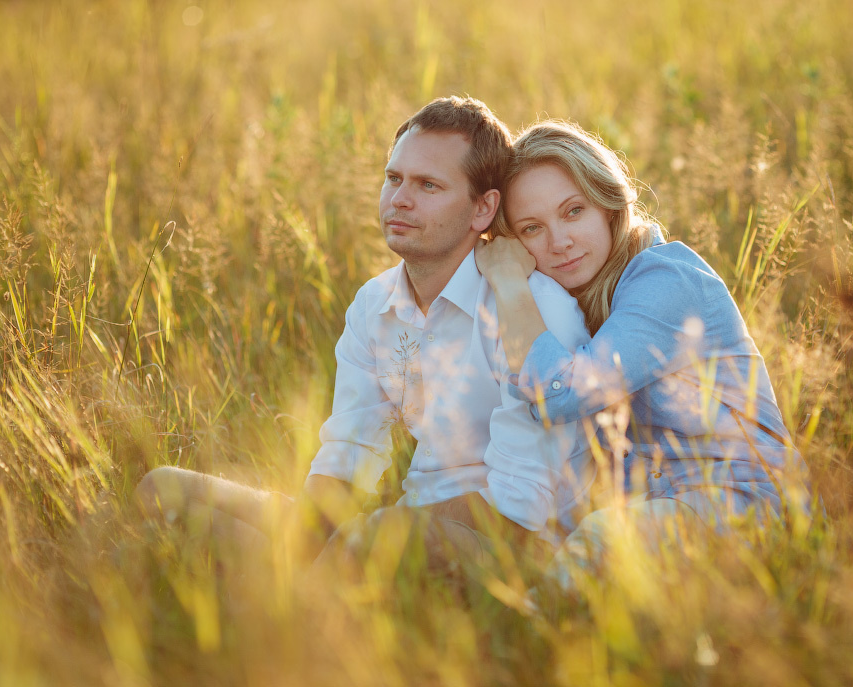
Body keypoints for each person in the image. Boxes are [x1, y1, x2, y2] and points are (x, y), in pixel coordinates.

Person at [135, 98, 593, 580]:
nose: (400, 199)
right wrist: (313, 535)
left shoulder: (528, 309)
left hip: (515, 552)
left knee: (378, 537)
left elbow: (518, 509)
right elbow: (350, 452)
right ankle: (295, 589)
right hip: (394, 528)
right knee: (162, 488)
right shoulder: (374, 304)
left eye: (428, 185)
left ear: (484, 208)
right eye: (394, 178)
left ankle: (289, 602)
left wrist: (371, 532)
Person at [474, 120, 810, 577]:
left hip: (745, 505)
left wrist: (509, 281)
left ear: (609, 204)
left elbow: (561, 396)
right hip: (656, 509)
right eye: (533, 228)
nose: (560, 241)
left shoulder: (666, 279)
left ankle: (523, 631)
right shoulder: (579, 303)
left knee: (596, 546)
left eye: (574, 211)